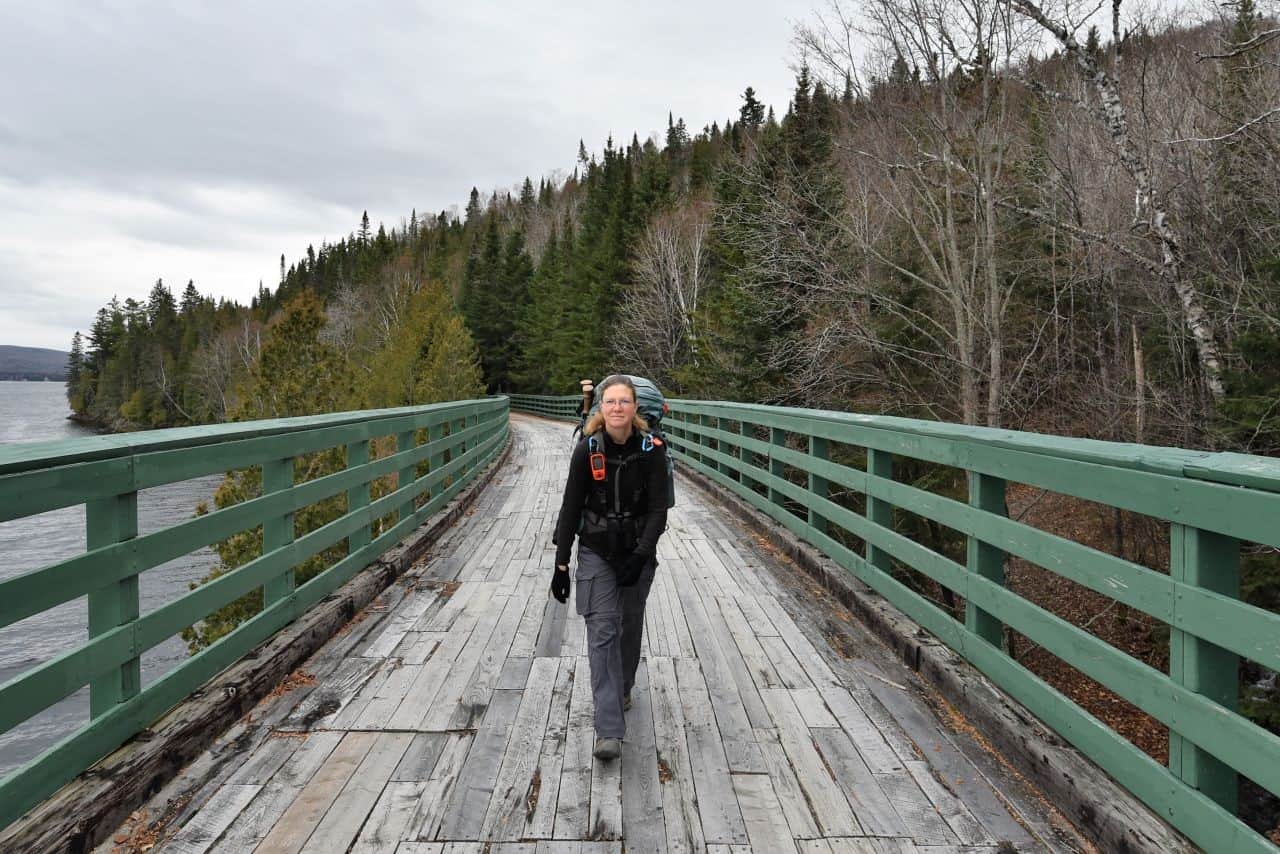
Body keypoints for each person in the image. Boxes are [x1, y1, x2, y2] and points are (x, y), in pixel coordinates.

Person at [549, 374, 670, 761]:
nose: (617, 408)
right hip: (597, 553)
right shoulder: (587, 451)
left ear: (636, 409)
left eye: (624, 402)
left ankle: (623, 686)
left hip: (638, 552)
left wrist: (640, 555)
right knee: (602, 630)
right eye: (610, 402)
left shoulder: (653, 451)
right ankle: (608, 730)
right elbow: (570, 508)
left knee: (629, 624)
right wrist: (561, 563)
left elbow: (657, 510)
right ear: (601, 408)